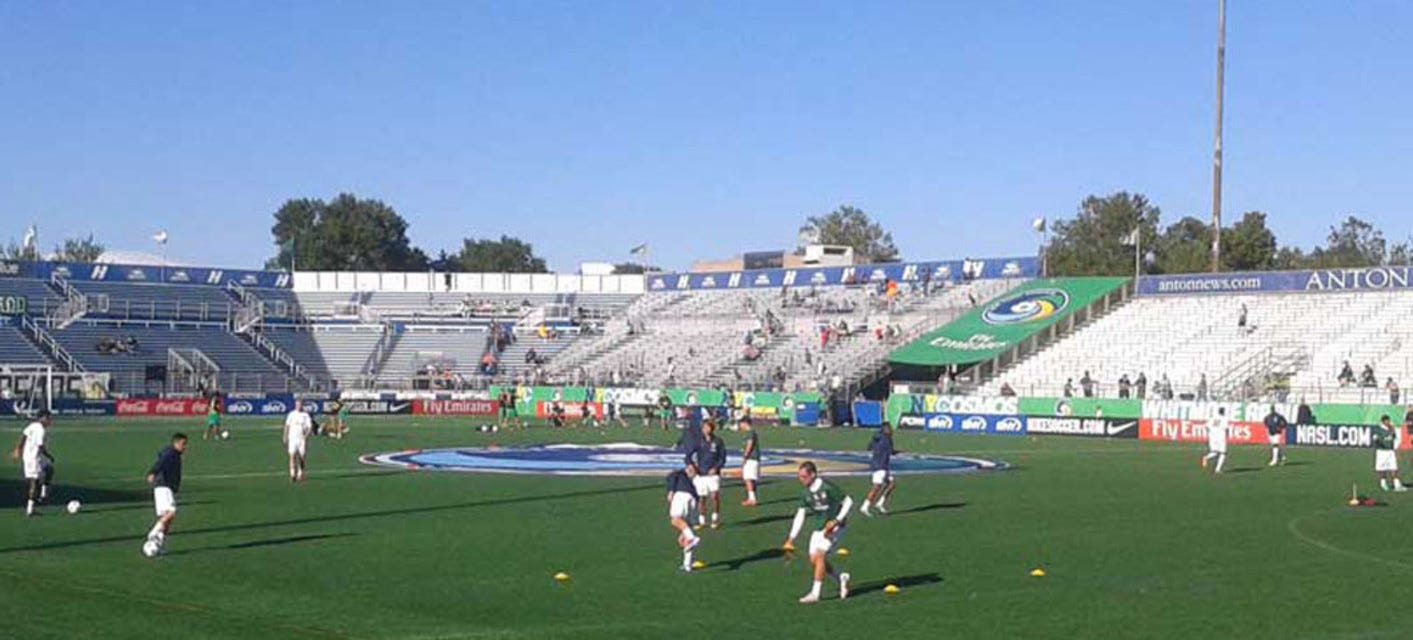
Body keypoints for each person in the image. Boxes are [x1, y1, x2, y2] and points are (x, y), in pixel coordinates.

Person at [781, 461, 853, 604]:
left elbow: (848, 501)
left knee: (819, 556)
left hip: (835, 527)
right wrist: (791, 538)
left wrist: (837, 520)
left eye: (804, 477)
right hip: (819, 527)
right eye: (799, 477)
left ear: (813, 474)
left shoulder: (827, 487)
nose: (801, 480)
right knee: (814, 560)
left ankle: (815, 593)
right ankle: (841, 578)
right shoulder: (805, 493)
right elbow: (800, 516)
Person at [144, 433, 187, 553]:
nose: (185, 447)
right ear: (176, 443)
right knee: (172, 512)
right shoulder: (171, 453)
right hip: (164, 486)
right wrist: (152, 472)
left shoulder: (172, 453)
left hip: (166, 487)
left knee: (167, 519)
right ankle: (154, 531)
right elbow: (161, 462)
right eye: (183, 444)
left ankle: (159, 544)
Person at [12, 410, 54, 517]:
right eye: (48, 418)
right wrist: (48, 455)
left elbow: (24, 435)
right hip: (33, 458)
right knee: (34, 482)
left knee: (49, 468)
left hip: (33, 457)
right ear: (42, 418)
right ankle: (30, 509)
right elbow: (40, 446)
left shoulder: (32, 425)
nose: (50, 421)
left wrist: (18, 448)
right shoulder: (40, 430)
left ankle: (43, 493)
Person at [688, 420, 726, 529]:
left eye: (708, 427)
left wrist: (716, 468)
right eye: (704, 427)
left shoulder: (718, 441)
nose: (706, 430)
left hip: (713, 474)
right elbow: (688, 455)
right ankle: (702, 521)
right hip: (701, 474)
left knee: (714, 496)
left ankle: (715, 518)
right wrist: (691, 466)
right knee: (701, 498)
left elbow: (722, 458)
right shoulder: (698, 441)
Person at [666, 464, 701, 572]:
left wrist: (671, 490)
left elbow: (671, 477)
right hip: (693, 500)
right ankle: (687, 564)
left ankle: (692, 538)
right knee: (684, 537)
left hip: (681, 496)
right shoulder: (692, 484)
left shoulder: (679, 473)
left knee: (675, 520)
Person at [860, 423, 896, 517]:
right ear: (885, 429)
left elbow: (869, 447)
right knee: (876, 487)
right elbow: (891, 451)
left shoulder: (878, 438)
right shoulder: (887, 439)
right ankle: (865, 506)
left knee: (891, 484)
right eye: (889, 428)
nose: (891, 430)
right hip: (880, 466)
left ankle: (880, 503)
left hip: (882, 465)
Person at [1374, 415, 1406, 492]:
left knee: (1394, 467)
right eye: (1387, 421)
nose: (1388, 422)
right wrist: (1381, 442)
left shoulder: (1391, 428)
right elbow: (1376, 440)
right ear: (1383, 422)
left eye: (1389, 420)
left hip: (1390, 451)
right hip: (1382, 452)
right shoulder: (1379, 430)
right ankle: (1383, 483)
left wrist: (1392, 431)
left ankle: (1397, 485)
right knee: (1382, 468)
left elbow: (1394, 437)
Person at [283, 405, 313, 482]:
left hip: (301, 439)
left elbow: (309, 427)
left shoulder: (305, 415)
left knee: (301, 457)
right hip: (292, 438)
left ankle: (300, 473)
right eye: (297, 405)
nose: (298, 406)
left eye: (300, 405)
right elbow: (287, 426)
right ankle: (292, 474)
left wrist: (306, 436)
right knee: (292, 456)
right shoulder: (291, 414)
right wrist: (285, 436)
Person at [1201, 407, 1229, 474]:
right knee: (1223, 453)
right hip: (1220, 437)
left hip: (1212, 437)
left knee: (1215, 452)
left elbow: (1206, 426)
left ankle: (1206, 457)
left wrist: (1210, 433)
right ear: (1223, 412)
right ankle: (1217, 469)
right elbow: (1226, 428)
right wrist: (1227, 436)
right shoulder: (1224, 418)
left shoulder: (1212, 418)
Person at [740, 418, 761, 507]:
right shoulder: (751, 433)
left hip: (751, 459)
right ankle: (752, 497)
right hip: (753, 459)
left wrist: (745, 456)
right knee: (751, 479)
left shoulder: (750, 433)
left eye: (741, 424)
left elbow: (750, 444)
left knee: (748, 478)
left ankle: (752, 499)